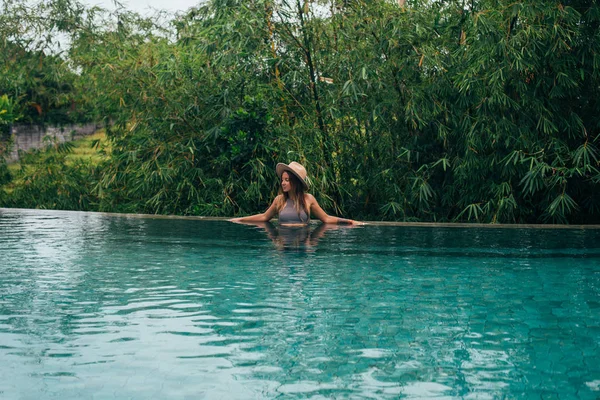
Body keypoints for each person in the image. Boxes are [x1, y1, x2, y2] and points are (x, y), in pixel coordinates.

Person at [229, 161, 362, 226]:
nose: (283, 183)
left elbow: (326, 218)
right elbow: (264, 217)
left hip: (303, 240)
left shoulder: (308, 199)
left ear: (295, 182)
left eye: (287, 180)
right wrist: (240, 219)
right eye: (282, 180)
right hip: (283, 239)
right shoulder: (279, 200)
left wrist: (349, 222)